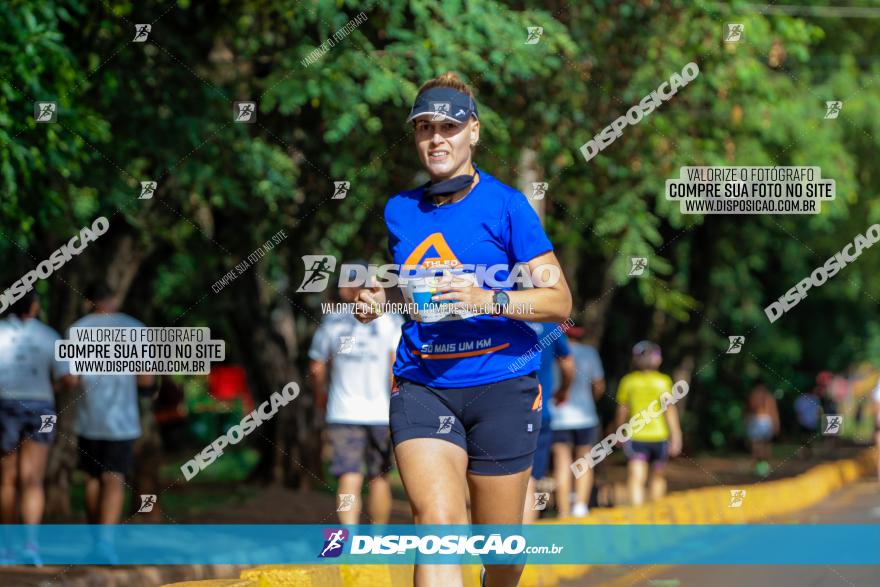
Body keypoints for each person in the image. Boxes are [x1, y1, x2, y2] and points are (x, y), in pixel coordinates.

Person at [354, 72, 572, 587]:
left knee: (500, 557)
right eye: (425, 127)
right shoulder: (400, 210)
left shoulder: (507, 206)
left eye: (449, 127)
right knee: (437, 526)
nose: (436, 138)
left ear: (473, 132)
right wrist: (376, 300)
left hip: (502, 386)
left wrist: (488, 299)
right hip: (424, 383)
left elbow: (559, 300)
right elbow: (412, 290)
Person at [309, 264, 403, 525]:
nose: (341, 288)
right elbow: (396, 367)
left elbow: (316, 367)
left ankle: (349, 541)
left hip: (342, 412)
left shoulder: (332, 321)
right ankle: (377, 540)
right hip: (381, 413)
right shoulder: (390, 320)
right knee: (379, 477)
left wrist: (321, 396)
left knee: (349, 475)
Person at [69, 283, 156, 562]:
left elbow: (72, 378)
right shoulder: (135, 329)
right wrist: (145, 393)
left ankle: (96, 541)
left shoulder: (77, 329)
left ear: (89, 300)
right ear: (113, 298)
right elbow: (146, 378)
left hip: (88, 417)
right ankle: (106, 544)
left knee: (93, 478)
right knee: (114, 477)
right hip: (122, 420)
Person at [0, 290, 75, 565]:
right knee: (32, 479)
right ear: (34, 306)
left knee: (6, 480)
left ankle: (6, 549)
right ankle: (31, 546)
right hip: (40, 407)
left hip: (5, 405)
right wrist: (48, 385)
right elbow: (69, 379)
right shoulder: (48, 334)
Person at [616, 341, 682, 506]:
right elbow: (670, 411)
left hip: (636, 436)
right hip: (659, 437)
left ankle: (639, 518)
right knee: (658, 478)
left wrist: (619, 431)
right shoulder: (664, 381)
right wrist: (676, 436)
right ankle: (656, 515)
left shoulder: (628, 381)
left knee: (636, 478)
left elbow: (622, 411)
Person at [522, 322, 573, 523]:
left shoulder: (495, 314)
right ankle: (521, 541)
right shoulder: (549, 325)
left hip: (496, 410)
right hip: (538, 412)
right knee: (530, 479)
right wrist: (563, 390)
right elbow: (568, 364)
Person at [551, 326, 605, 517]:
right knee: (584, 460)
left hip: (558, 415)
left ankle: (564, 511)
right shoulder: (589, 352)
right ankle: (581, 507)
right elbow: (599, 385)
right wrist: (589, 400)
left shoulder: (551, 350)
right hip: (586, 416)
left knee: (561, 462)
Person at [745, 381, 779, 476]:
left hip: (754, 419)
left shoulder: (752, 395)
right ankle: (765, 465)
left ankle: (758, 466)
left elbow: (747, 410)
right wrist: (776, 423)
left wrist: (747, 422)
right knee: (765, 444)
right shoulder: (767, 396)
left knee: (756, 444)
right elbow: (773, 410)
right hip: (765, 419)